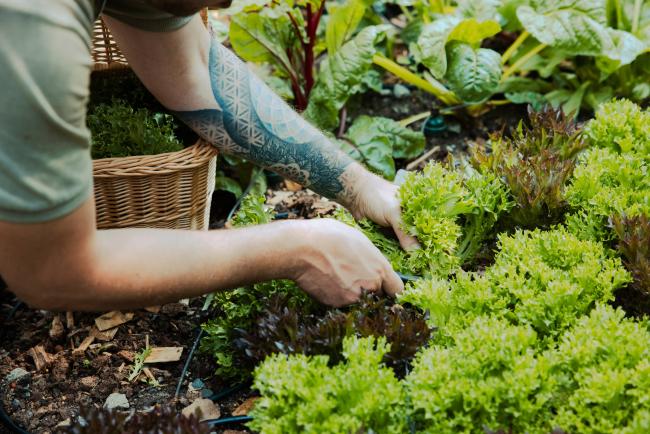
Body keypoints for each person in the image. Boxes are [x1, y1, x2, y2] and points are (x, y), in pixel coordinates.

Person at [0, 0, 418, 312]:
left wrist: (360, 186)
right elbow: (53, 271)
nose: (226, 5)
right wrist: (297, 249)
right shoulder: (31, 25)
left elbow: (196, 70)